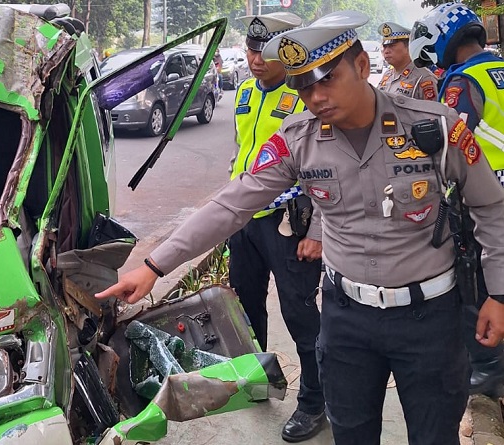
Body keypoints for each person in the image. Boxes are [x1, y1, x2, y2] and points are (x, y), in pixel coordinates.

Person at [97, 10, 504, 445]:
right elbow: (232, 204)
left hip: (430, 319)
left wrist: (498, 294)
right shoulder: (299, 140)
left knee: (434, 436)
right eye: (304, 86)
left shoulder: (433, 126)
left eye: (327, 79)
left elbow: (492, 207)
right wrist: (154, 266)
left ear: (361, 65)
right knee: (352, 434)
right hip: (347, 321)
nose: (317, 97)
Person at [228, 11, 325, 443]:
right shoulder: (244, 92)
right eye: (250, 50)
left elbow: (326, 168)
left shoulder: (306, 97)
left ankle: (315, 401)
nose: (254, 60)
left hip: (290, 222)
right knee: (246, 309)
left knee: (300, 314)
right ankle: (259, 380)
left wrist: (317, 231)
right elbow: (241, 152)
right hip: (245, 222)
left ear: (286, 53)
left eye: (263, 53)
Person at [410, 2, 504, 396]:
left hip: (484, 197)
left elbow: (448, 143)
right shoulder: (497, 69)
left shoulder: (462, 83)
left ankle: (488, 367)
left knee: (476, 284)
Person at [376, 22, 438, 100]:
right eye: (385, 47)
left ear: (408, 47)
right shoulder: (387, 74)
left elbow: (431, 107)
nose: (386, 51)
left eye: (391, 46)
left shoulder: (424, 78)